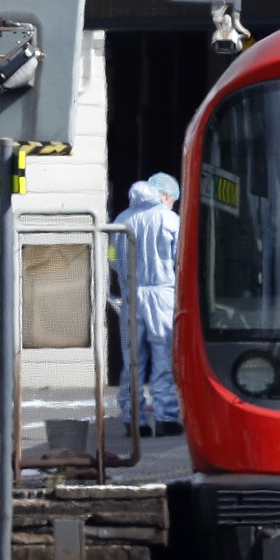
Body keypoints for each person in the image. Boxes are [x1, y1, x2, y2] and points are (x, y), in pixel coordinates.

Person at [112, 172, 182, 437]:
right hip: (163, 294)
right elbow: (180, 259)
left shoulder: (121, 220)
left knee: (133, 358)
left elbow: (111, 257)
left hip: (131, 294)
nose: (172, 203)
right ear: (163, 195)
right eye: (172, 199)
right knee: (163, 355)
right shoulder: (169, 220)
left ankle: (134, 420)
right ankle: (166, 418)